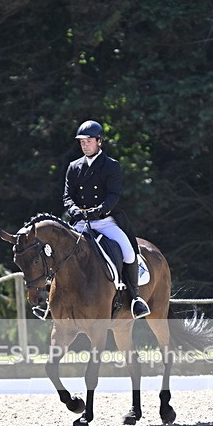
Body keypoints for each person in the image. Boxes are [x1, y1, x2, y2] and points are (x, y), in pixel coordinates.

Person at [63, 119, 150, 319]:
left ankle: (135, 298)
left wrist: (98, 211)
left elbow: (113, 195)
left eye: (88, 141)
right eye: (82, 142)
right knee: (60, 251)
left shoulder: (111, 166)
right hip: (79, 223)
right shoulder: (74, 167)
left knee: (129, 254)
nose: (85, 145)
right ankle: (53, 299)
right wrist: (74, 209)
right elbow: (67, 196)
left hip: (104, 220)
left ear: (99, 141)